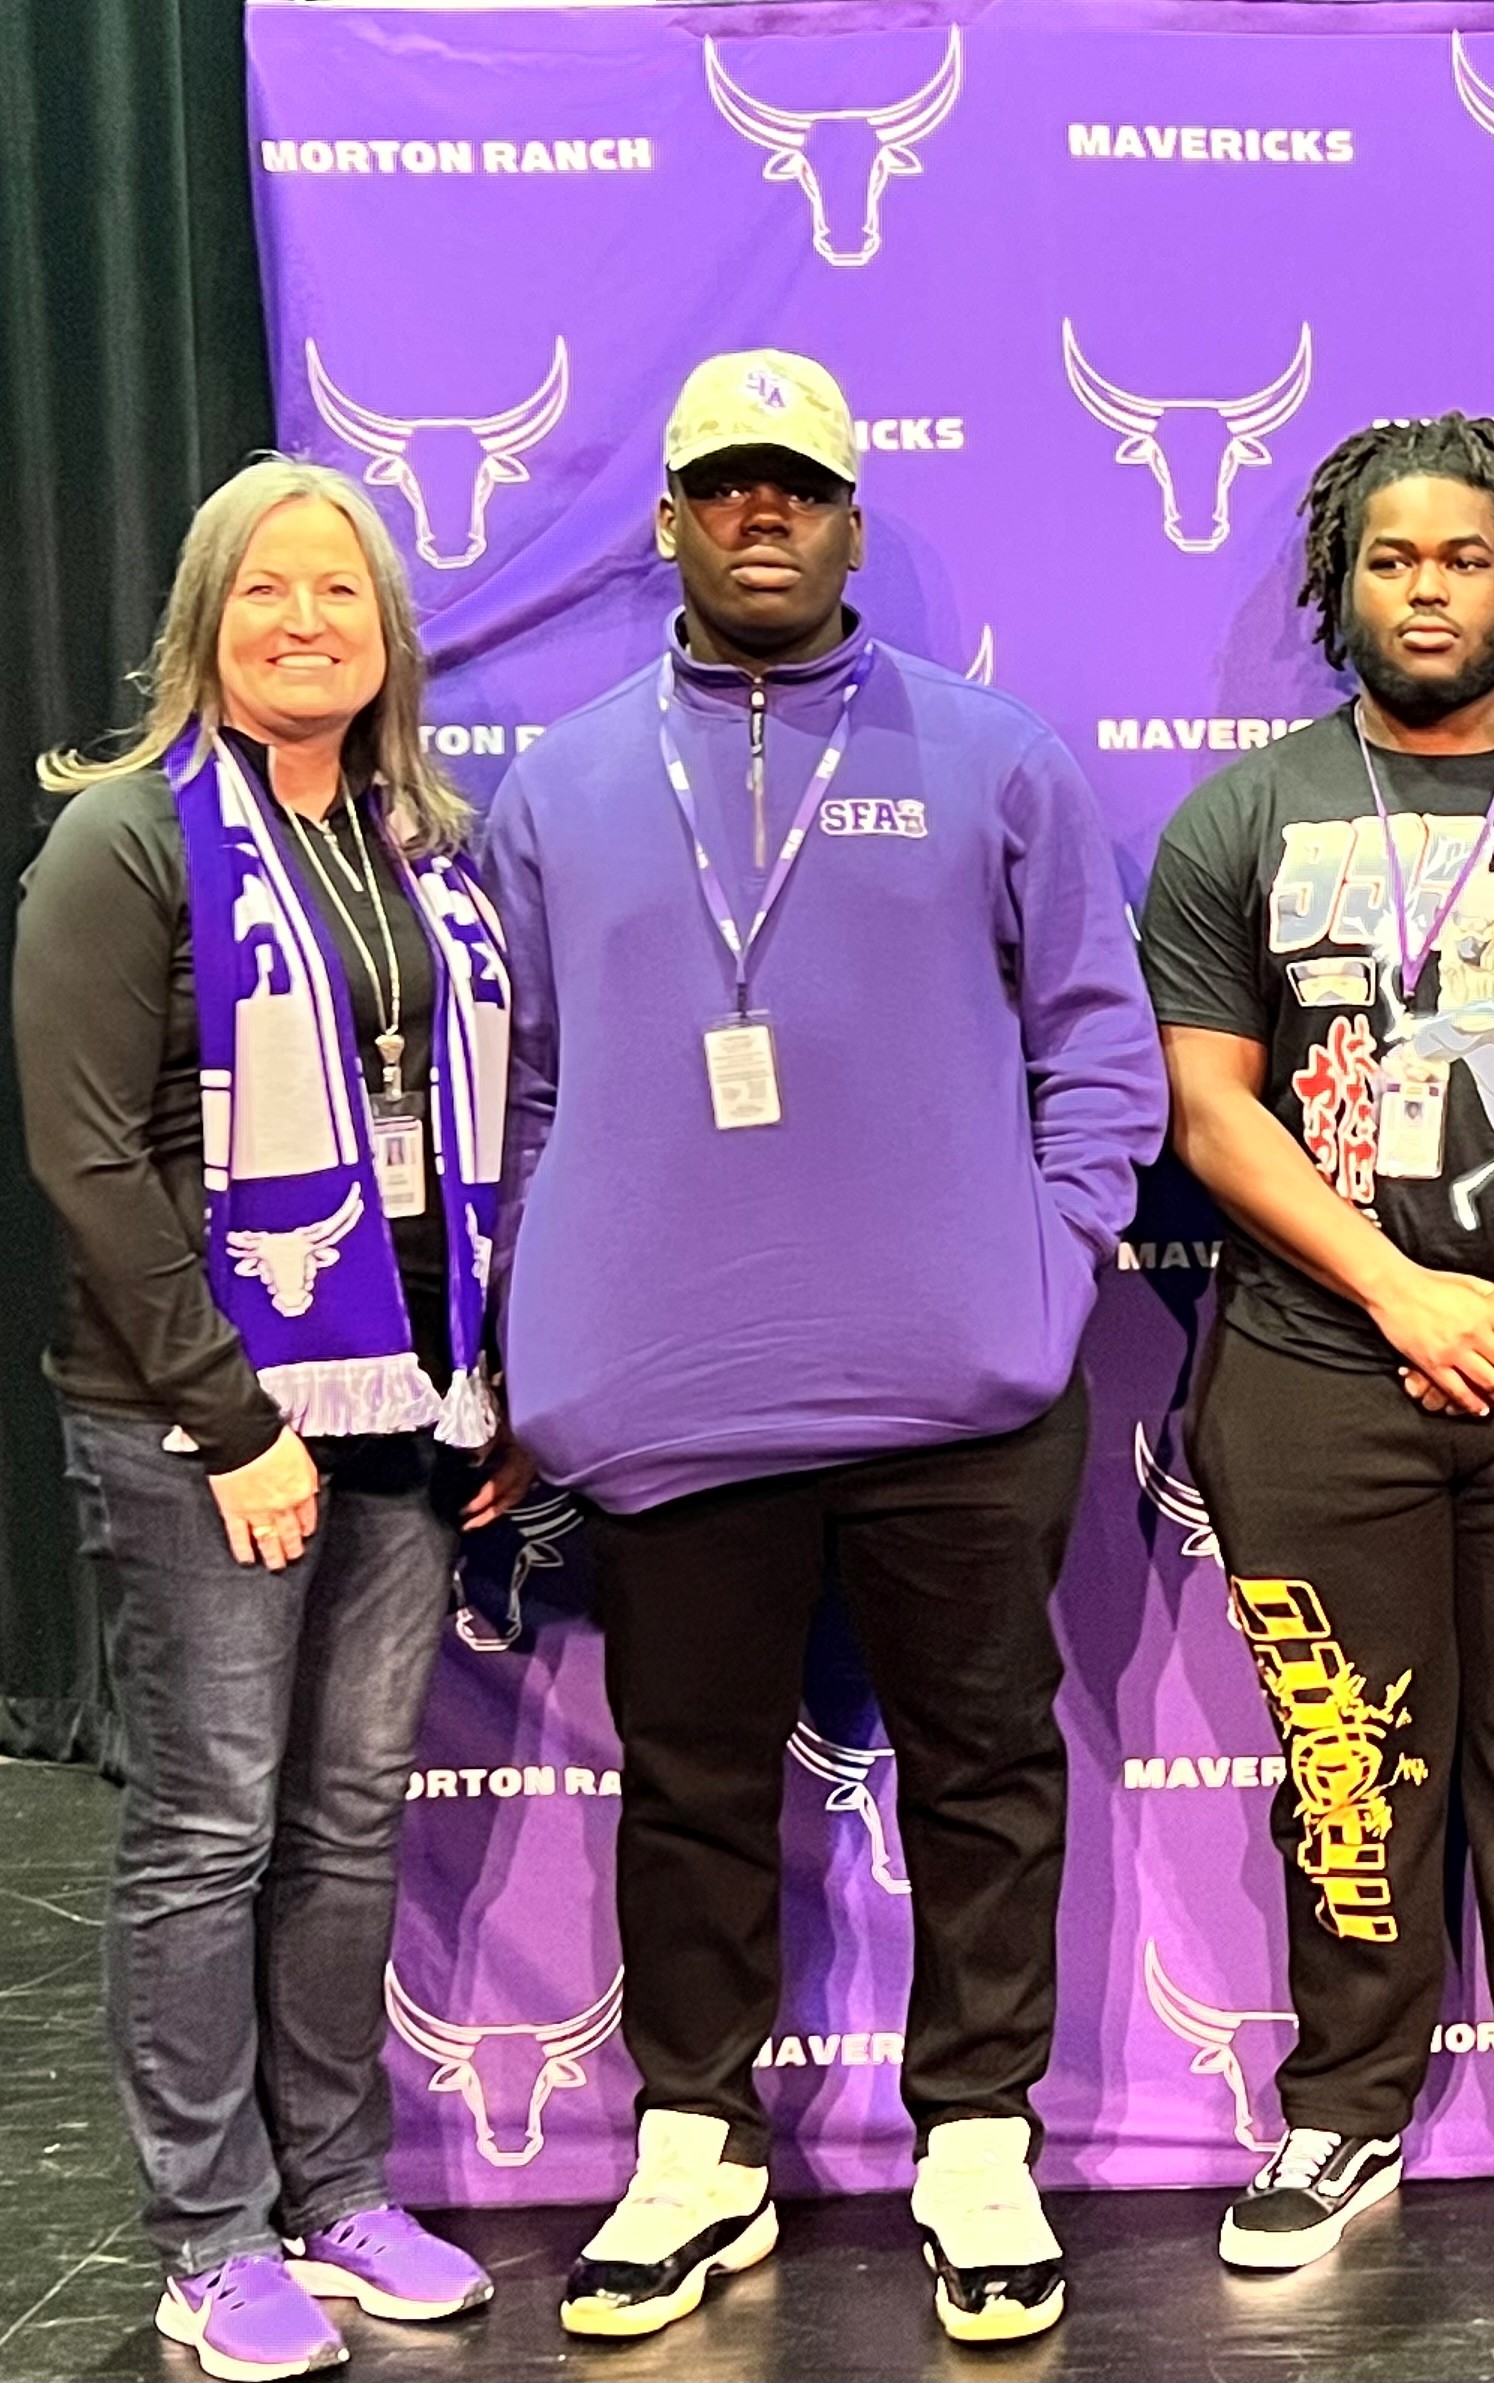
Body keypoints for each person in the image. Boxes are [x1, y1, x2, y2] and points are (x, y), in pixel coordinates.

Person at [485, 352, 1164, 2346]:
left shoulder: (995, 756)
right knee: (692, 1785)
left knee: (980, 1768)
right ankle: (696, 2147)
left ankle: (974, 2133)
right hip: (671, 1394)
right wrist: (547, 1321)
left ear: (851, 520)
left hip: (958, 1382)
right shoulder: (565, 778)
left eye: (794, 488)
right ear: (672, 525)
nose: (757, 517)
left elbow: (1095, 1036)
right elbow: (518, 1085)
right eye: (721, 490)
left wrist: (1045, 1259)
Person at [1136, 414, 1494, 2272]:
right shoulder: (1243, 812)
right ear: (1342, 585)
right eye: (1391, 559)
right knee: (1346, 1760)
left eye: (1461, 558)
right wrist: (1403, 1293)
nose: (1425, 587)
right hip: (1318, 1367)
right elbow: (1209, 1110)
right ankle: (1342, 2118)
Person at [19, 458, 523, 2383]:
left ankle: (335, 2191)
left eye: (341, 594)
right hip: (194, 1424)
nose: (307, 622)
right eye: (266, 595)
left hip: (400, 1404)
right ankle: (207, 2235)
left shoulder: (422, 851)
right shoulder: (128, 844)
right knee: (212, 1824)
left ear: (386, 635)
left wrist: (477, 1365)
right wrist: (234, 1425)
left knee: (344, 1819)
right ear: (204, 629)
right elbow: (86, 1159)